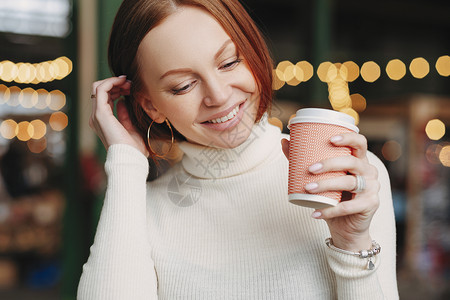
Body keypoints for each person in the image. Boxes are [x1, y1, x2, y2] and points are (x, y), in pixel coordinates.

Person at [77, 0, 399, 299]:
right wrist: (126, 162)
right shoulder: (140, 213)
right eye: (183, 86)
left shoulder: (343, 180)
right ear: (151, 107)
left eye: (229, 62)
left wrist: (353, 246)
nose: (218, 95)